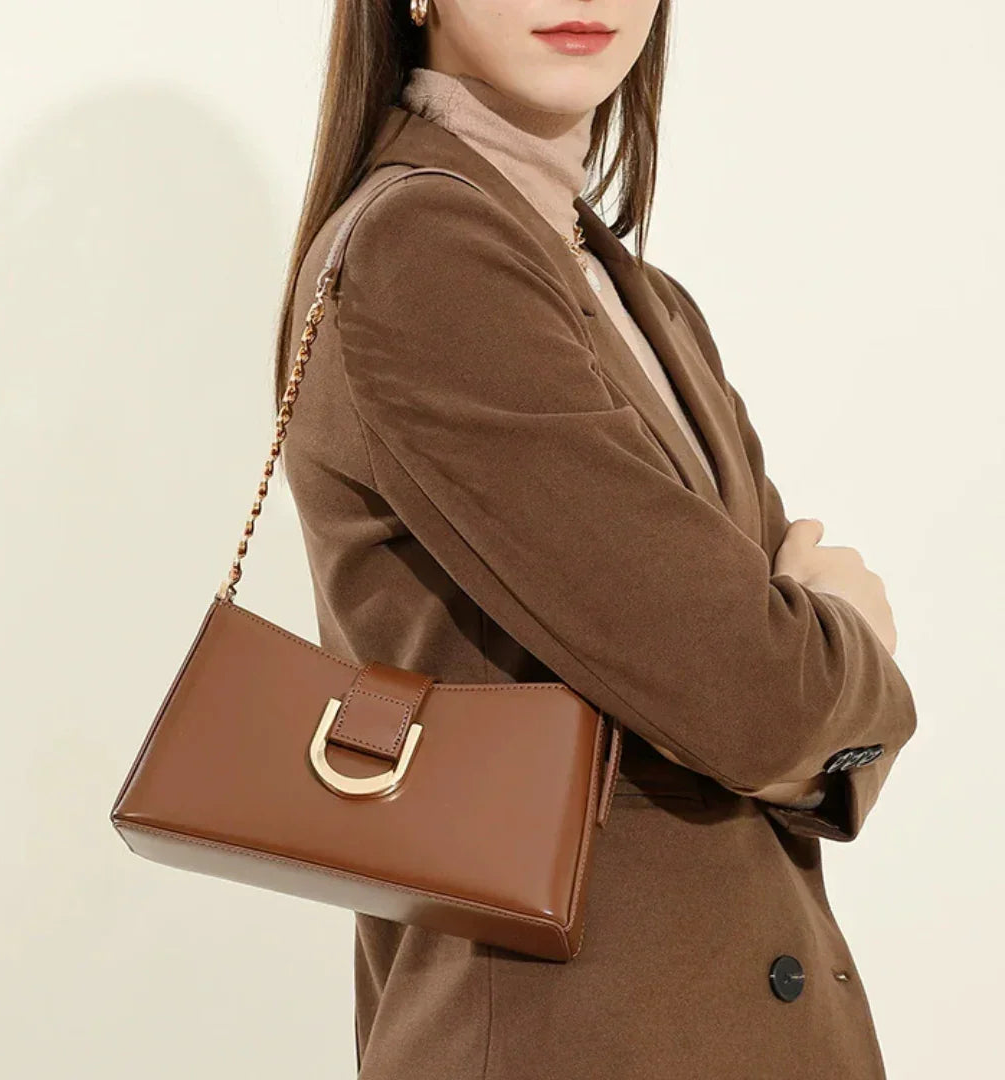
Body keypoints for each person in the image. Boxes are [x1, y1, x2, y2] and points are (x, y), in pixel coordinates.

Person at [275, 2, 918, 1078]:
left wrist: (796, 664)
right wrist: (847, 626)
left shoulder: (629, 289)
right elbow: (767, 696)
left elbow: (767, 699)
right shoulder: (422, 252)